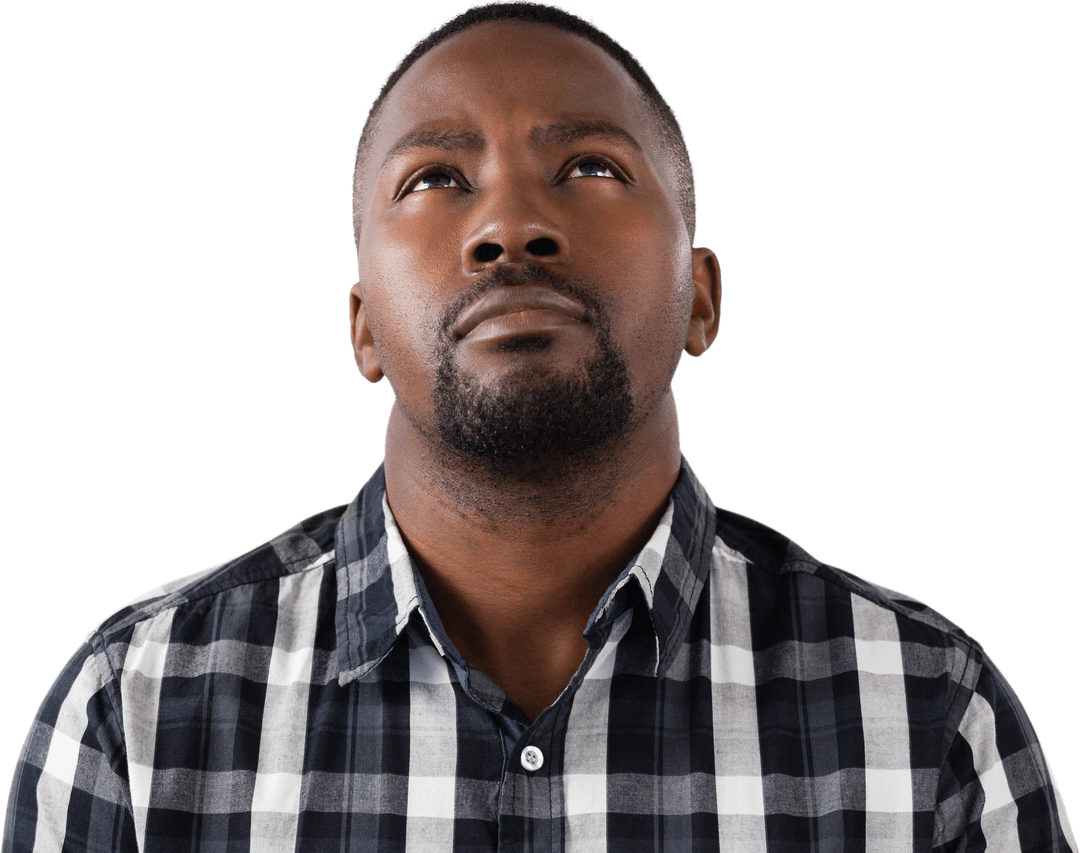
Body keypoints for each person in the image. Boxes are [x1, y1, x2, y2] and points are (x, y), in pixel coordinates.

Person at [4, 2, 1075, 851]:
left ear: (703, 298)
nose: (511, 223)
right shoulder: (139, 708)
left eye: (591, 168)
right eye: (435, 179)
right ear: (362, 325)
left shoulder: (929, 712)